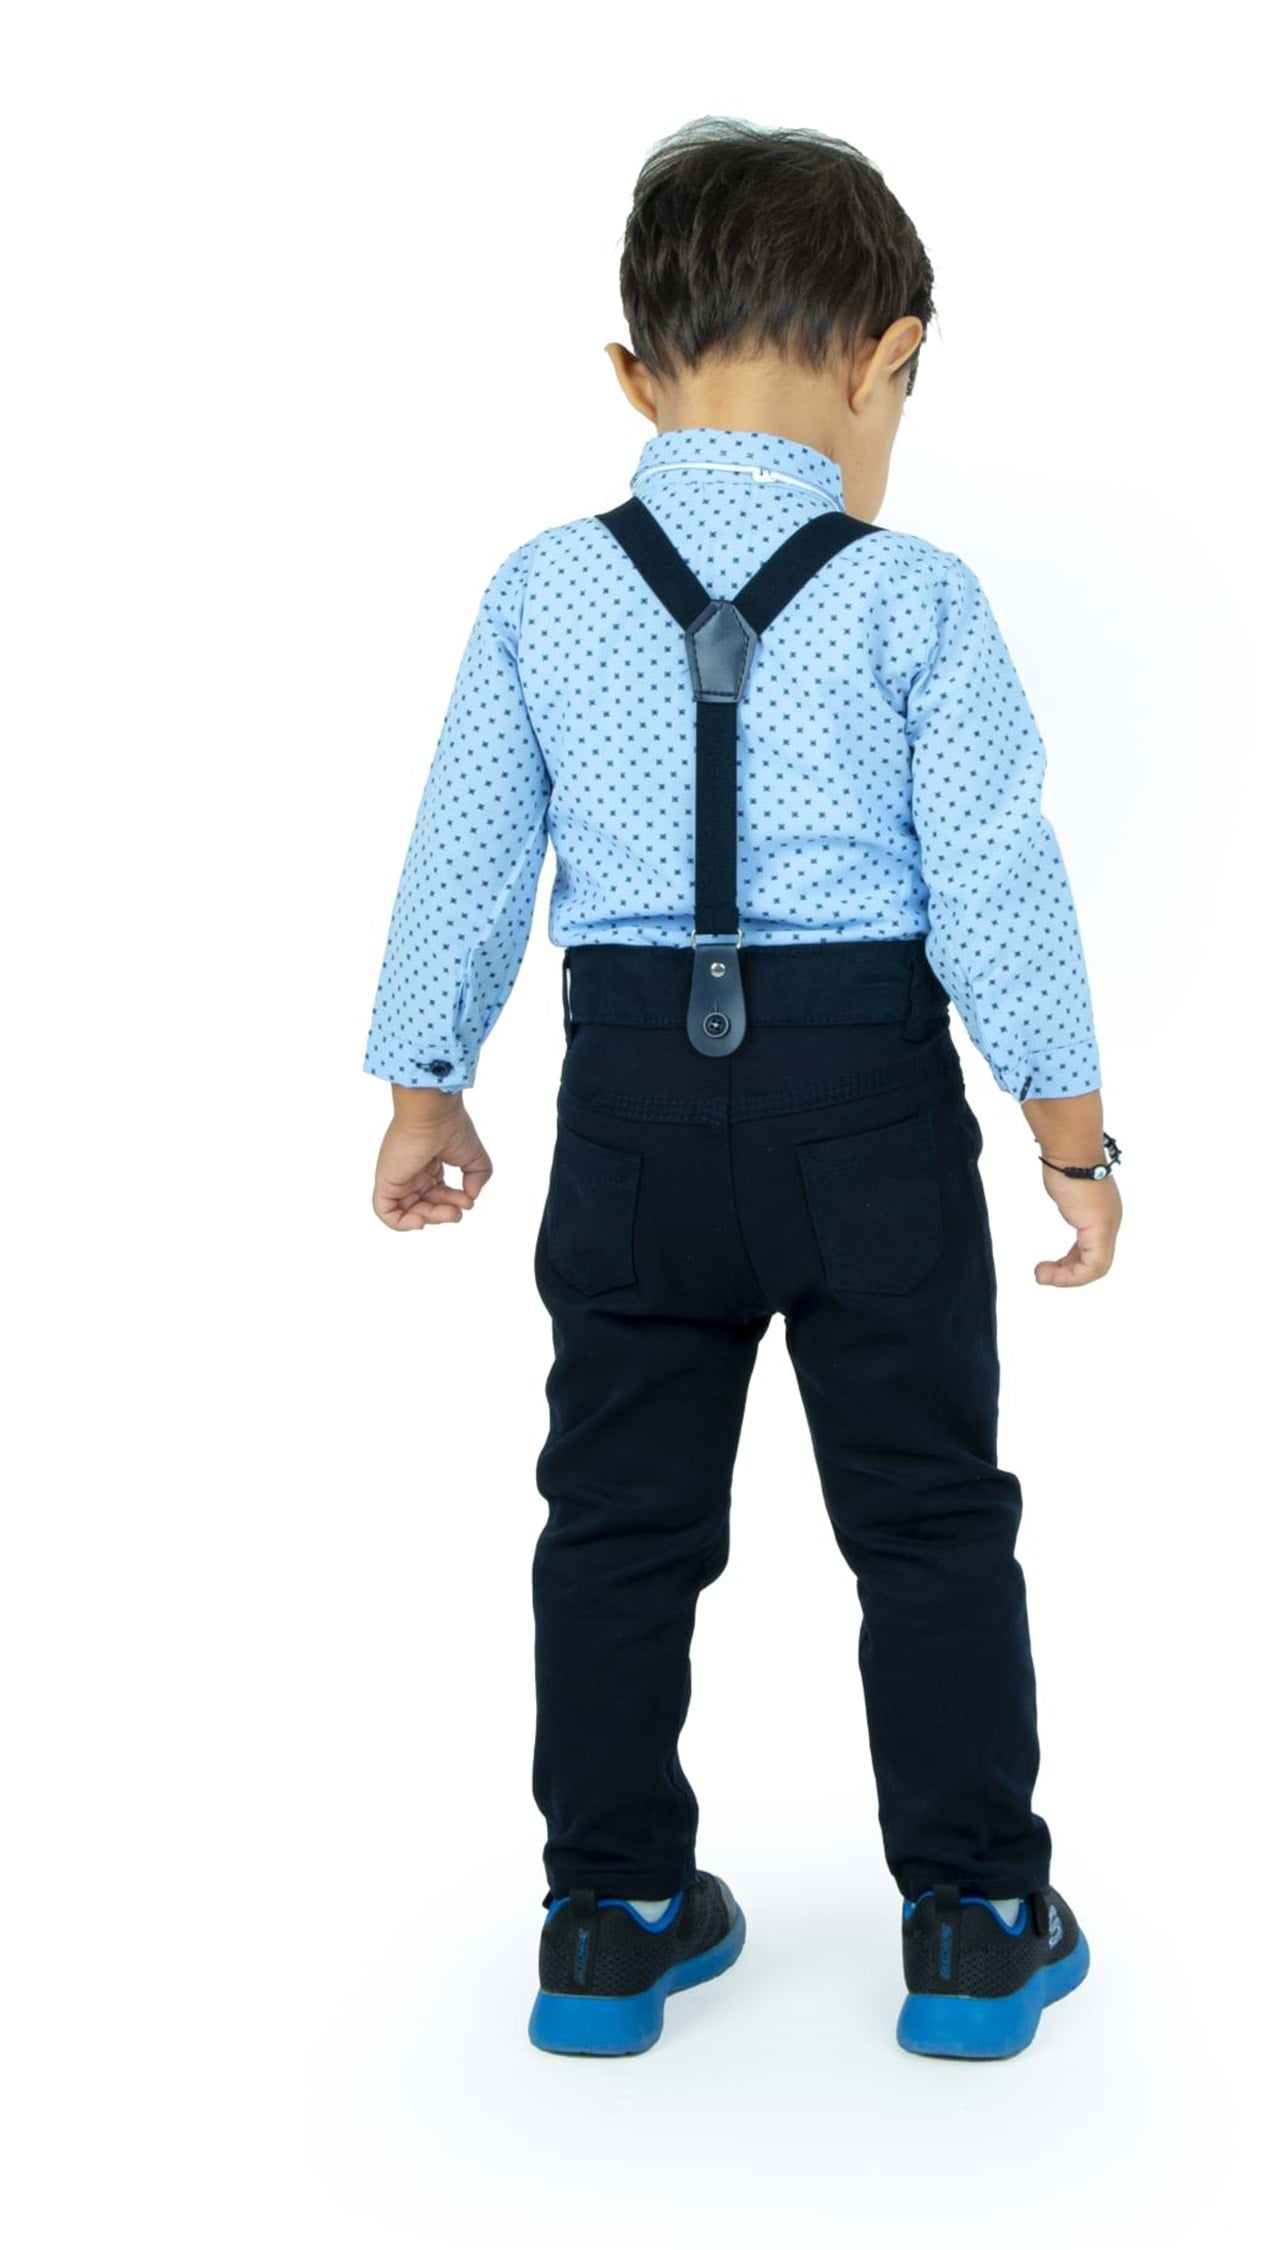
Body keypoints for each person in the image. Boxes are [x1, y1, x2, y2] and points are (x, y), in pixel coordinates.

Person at [363, 118, 1122, 2061]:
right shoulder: (915, 599)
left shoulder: (545, 590)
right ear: (889, 358)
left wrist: (426, 1083)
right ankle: (976, 1919)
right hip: (866, 1118)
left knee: (615, 1519)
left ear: (636, 377)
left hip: (628, 1116)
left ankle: (606, 1916)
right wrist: (1070, 1129)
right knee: (929, 1517)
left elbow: (466, 852)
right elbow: (1000, 878)